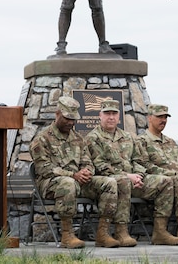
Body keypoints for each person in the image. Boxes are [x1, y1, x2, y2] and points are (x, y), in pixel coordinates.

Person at [86, 99, 178, 246]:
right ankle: (121, 231)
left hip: (133, 180)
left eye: (114, 113)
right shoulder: (93, 138)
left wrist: (139, 176)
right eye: (107, 114)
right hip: (111, 182)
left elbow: (139, 160)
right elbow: (99, 166)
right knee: (123, 182)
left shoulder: (127, 137)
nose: (111, 117)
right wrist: (127, 176)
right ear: (100, 115)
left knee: (165, 181)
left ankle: (160, 232)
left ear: (119, 117)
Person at [29, 96, 120, 249]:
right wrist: (73, 175)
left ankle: (103, 234)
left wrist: (87, 172)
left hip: (78, 182)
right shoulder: (42, 139)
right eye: (67, 118)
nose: (71, 122)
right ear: (57, 114)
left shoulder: (78, 138)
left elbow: (87, 162)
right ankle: (67, 235)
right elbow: (44, 169)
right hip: (51, 184)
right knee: (68, 183)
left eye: (73, 119)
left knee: (109, 182)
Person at [136, 104, 178, 245]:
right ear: (149, 118)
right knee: (173, 181)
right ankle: (160, 232)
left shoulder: (170, 142)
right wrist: (174, 175)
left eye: (165, 117)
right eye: (159, 116)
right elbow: (145, 165)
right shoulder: (141, 141)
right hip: (155, 181)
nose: (163, 120)